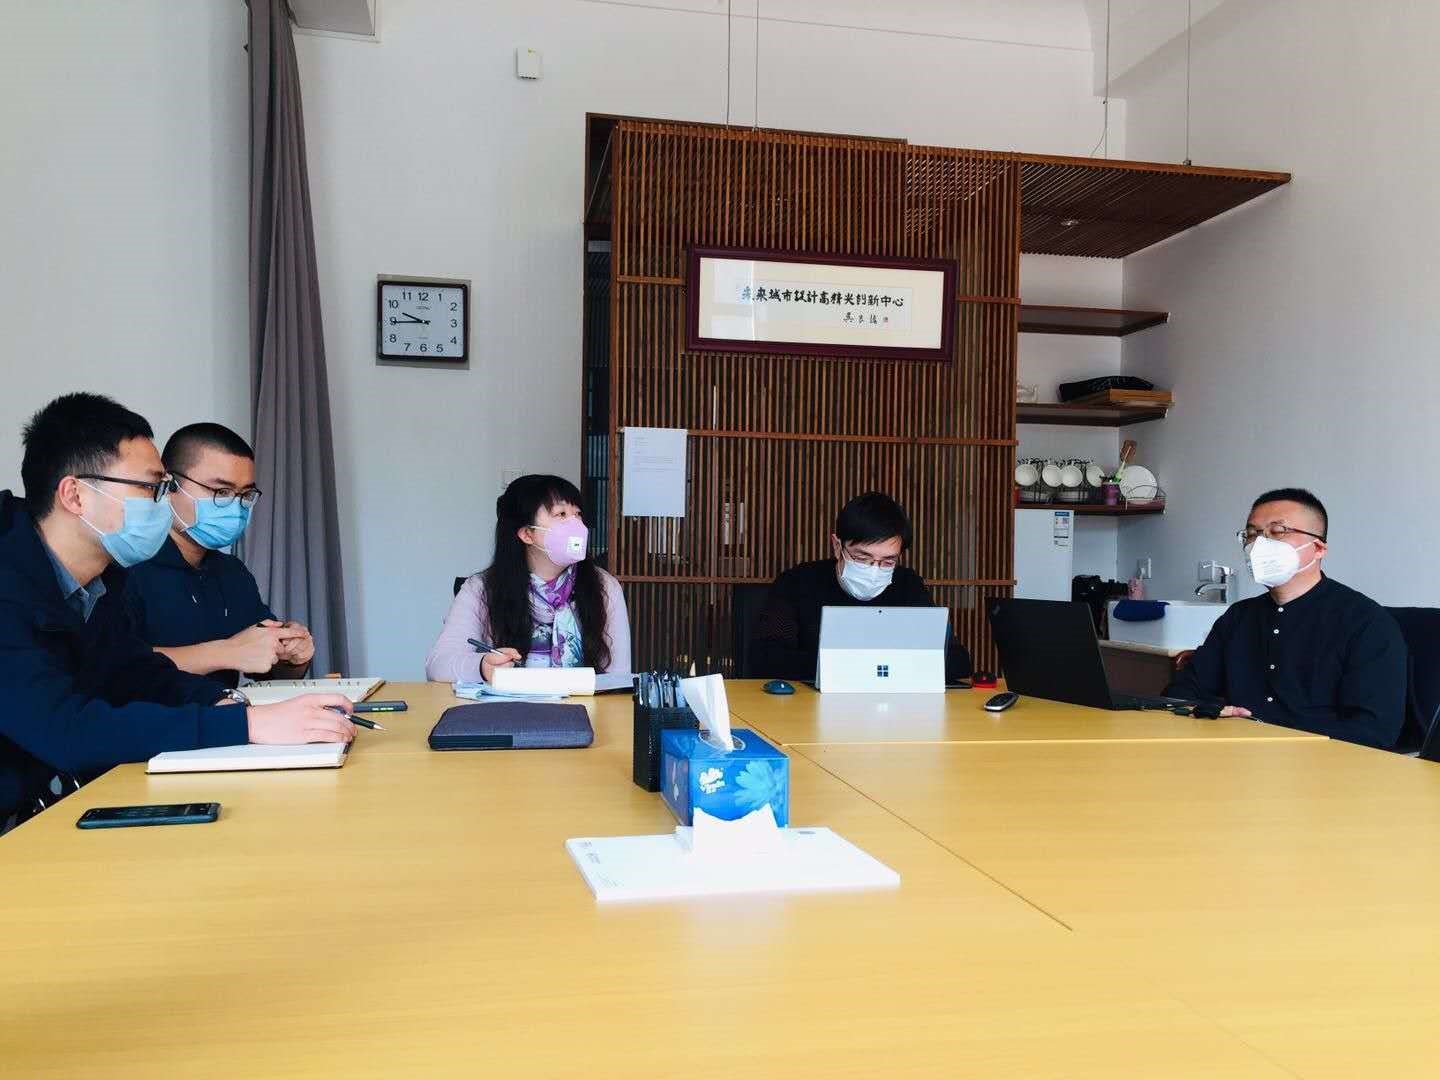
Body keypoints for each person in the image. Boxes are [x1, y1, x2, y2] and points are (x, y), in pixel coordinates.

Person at [0, 394, 354, 823]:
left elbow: (135, 674)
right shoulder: (10, 584)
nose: (162, 503)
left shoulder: (101, 582)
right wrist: (248, 726)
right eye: (152, 488)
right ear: (75, 495)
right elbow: (66, 729)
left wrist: (228, 703)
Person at [1165, 488, 1407, 749]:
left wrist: (1272, 735)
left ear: (1318, 548)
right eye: (1252, 534)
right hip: (1237, 753)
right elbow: (1182, 694)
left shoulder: (1365, 621)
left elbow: (1374, 730)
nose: (1259, 544)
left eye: (1278, 531)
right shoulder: (1238, 617)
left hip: (1323, 762)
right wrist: (1211, 712)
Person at [123, 422, 313, 688]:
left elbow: (267, 671)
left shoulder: (232, 572)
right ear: (169, 485)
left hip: (227, 711)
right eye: (221, 492)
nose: (235, 506)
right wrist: (227, 652)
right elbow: (117, 667)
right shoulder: (126, 566)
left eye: (245, 494)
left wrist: (293, 656)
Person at [425, 474, 631, 683]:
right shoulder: (480, 589)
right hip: (509, 704)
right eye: (561, 514)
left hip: (584, 704)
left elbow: (618, 676)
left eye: (577, 514)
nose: (575, 524)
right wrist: (481, 666)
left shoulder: (605, 587)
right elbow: (438, 664)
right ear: (527, 534)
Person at [750, 491, 970, 681]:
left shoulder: (908, 586)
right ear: (838, 546)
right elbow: (767, 658)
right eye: (862, 558)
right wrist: (862, 666)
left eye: (888, 562)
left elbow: (956, 660)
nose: (874, 570)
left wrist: (861, 667)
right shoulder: (798, 583)